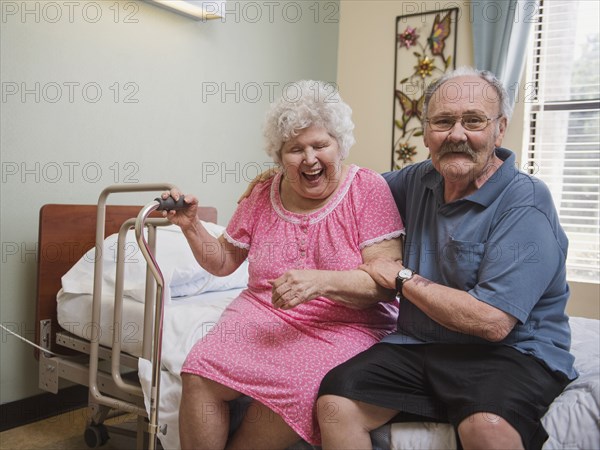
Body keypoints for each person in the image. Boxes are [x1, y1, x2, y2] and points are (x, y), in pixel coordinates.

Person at [315, 67, 576, 450]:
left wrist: (401, 277)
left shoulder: (527, 202)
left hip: (512, 352)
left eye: (473, 121)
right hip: (418, 345)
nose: (457, 135)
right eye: (443, 122)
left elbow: (491, 322)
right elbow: (349, 190)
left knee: (485, 425)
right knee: (335, 403)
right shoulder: (416, 180)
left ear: (499, 129)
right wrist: (280, 180)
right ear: (426, 132)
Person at [162, 80, 405, 450]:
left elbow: (383, 283)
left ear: (339, 145)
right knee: (198, 369)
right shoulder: (263, 192)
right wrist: (191, 227)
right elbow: (225, 260)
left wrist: (320, 282)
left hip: (345, 323)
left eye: (320, 145)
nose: (309, 159)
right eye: (295, 149)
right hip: (263, 313)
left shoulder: (367, 190)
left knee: (298, 387)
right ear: (279, 156)